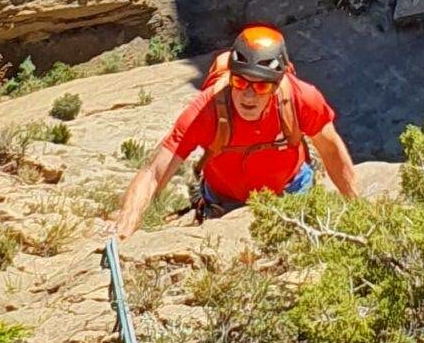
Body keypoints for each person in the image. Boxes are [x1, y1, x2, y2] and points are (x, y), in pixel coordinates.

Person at [108, 23, 359, 238]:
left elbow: (330, 150)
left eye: (260, 86)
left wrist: (357, 210)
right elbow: (155, 172)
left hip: (290, 191)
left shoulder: (301, 98)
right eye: (240, 81)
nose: (248, 95)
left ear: (276, 84)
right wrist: (126, 223)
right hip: (224, 202)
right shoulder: (206, 110)